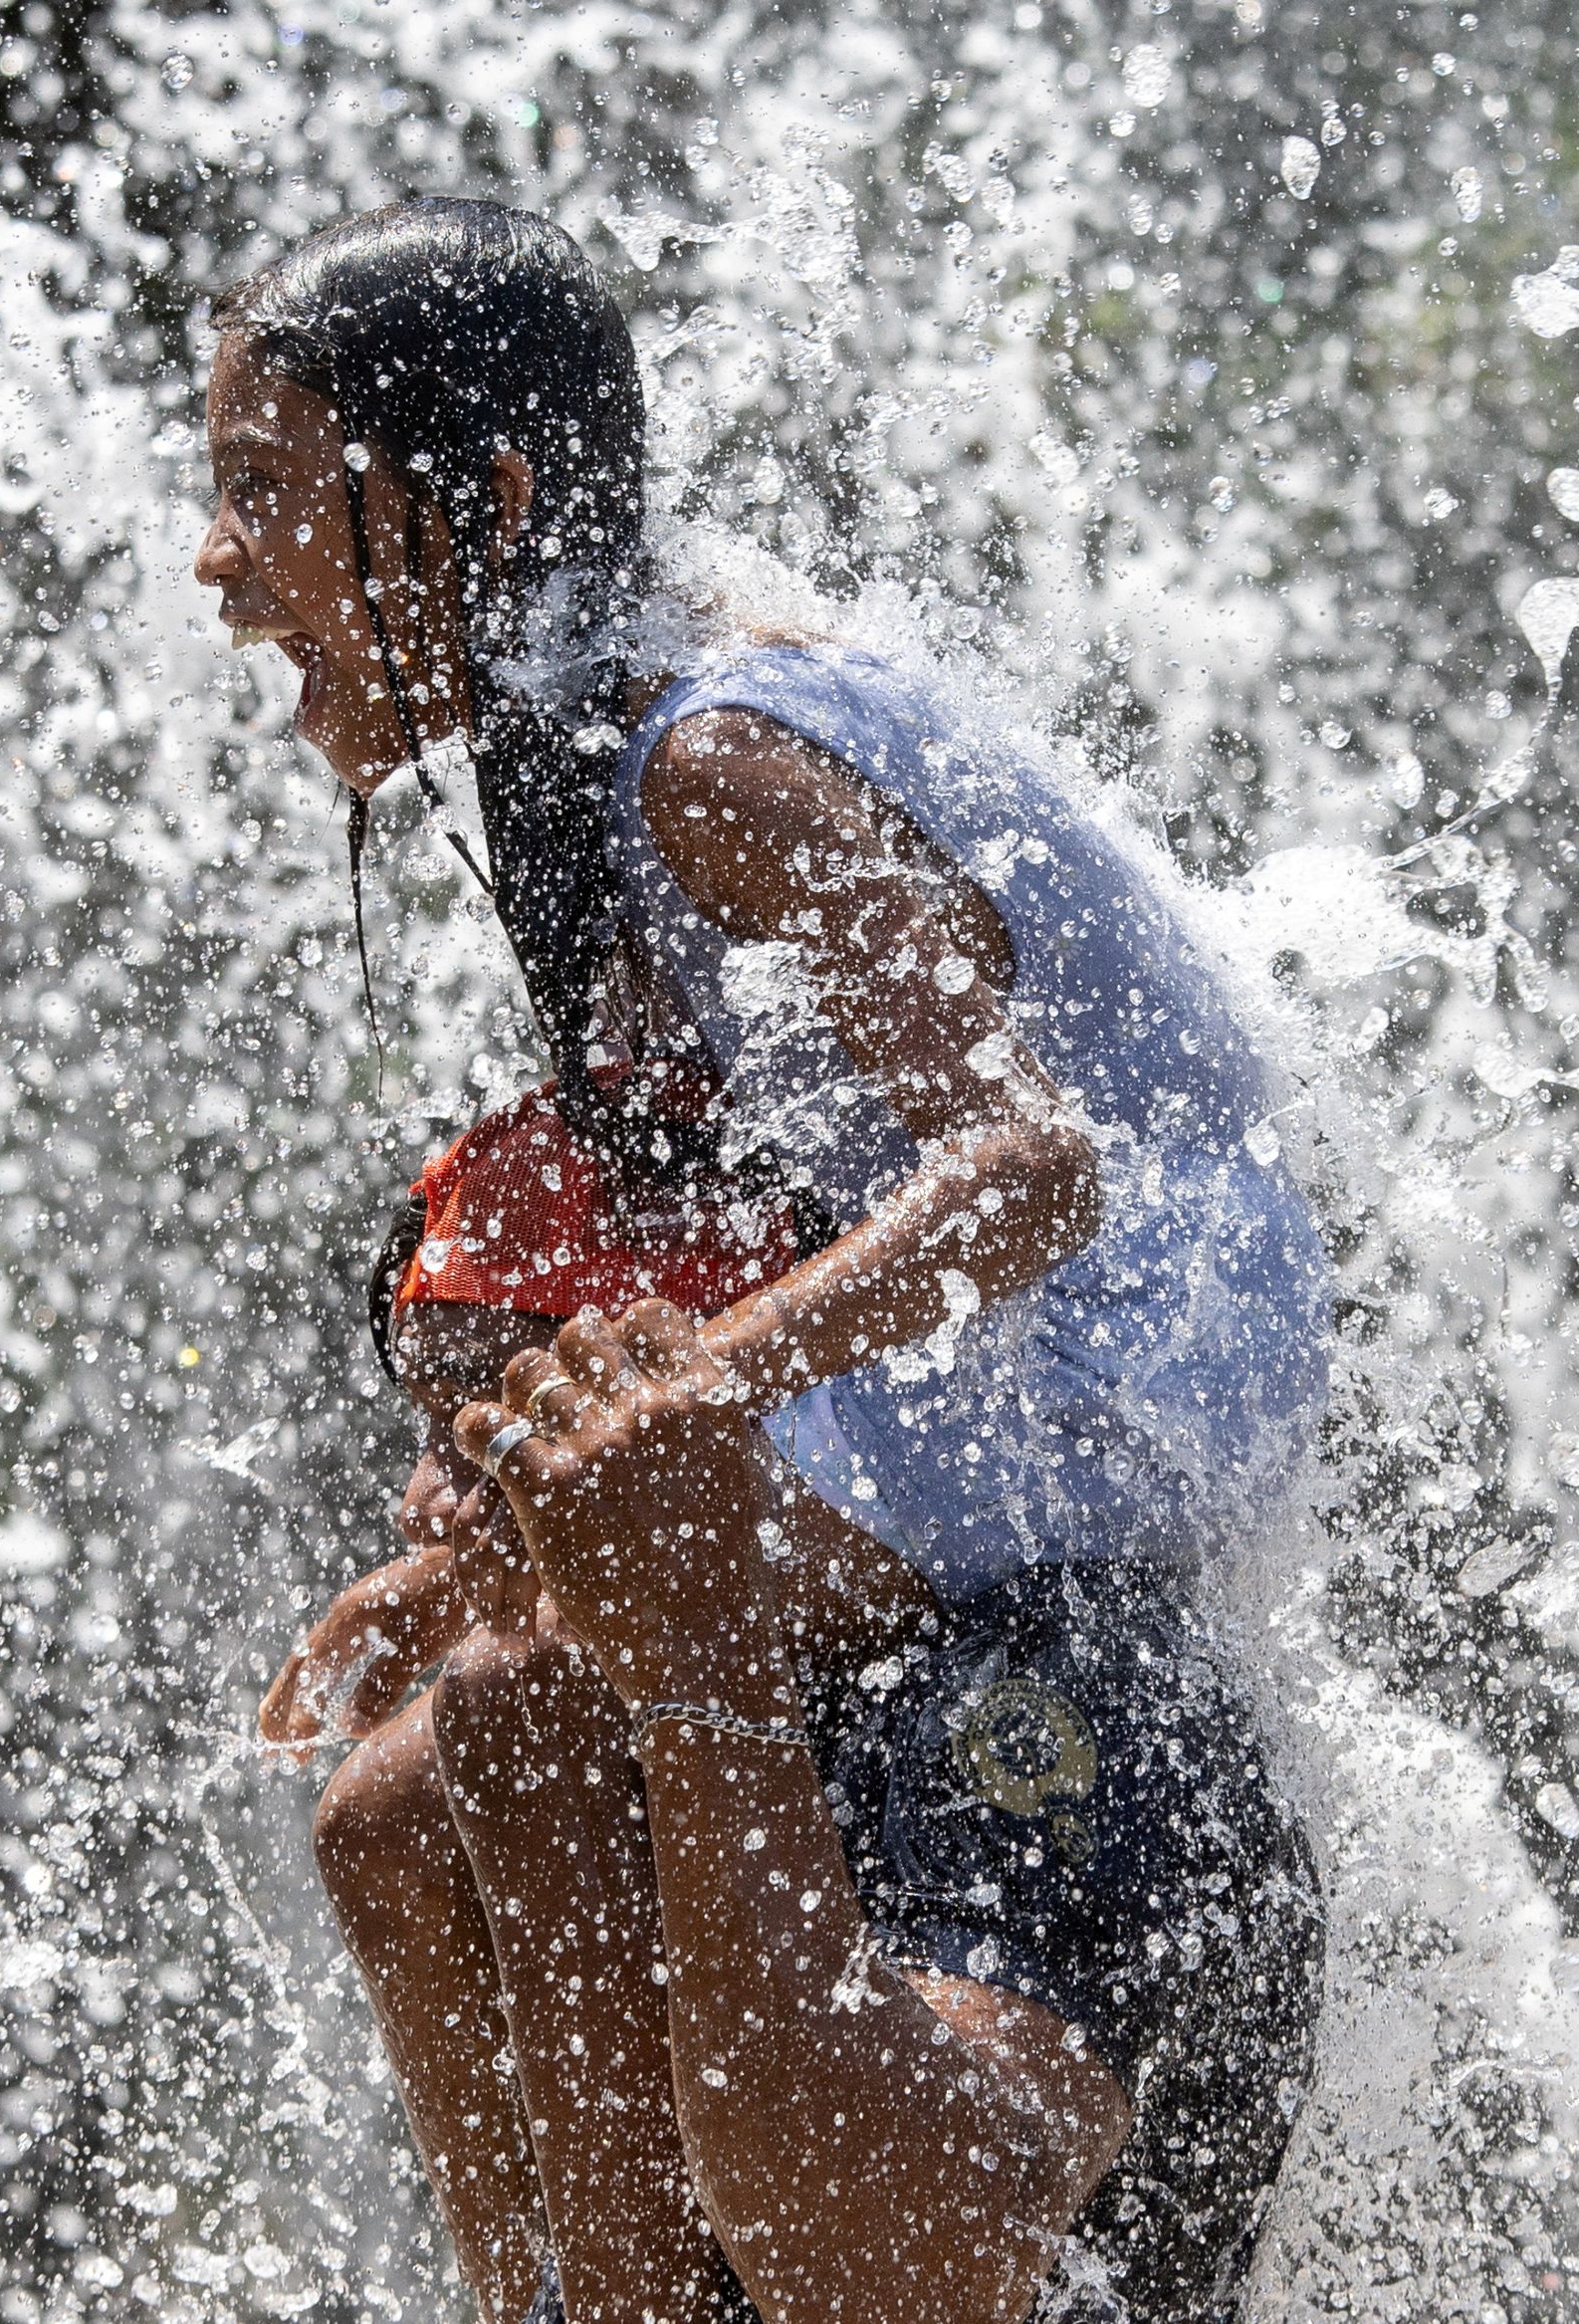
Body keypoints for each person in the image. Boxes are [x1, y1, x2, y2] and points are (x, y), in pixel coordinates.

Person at [199, 199, 1328, 2324]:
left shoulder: (713, 758)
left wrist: (676, 1404)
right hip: (991, 1352)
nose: (217, 563)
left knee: (527, 1692)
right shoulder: (610, 741)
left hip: (1125, 1349)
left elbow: (1024, 1167)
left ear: (489, 503)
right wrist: (523, 1476)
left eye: (266, 490)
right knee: (390, 1807)